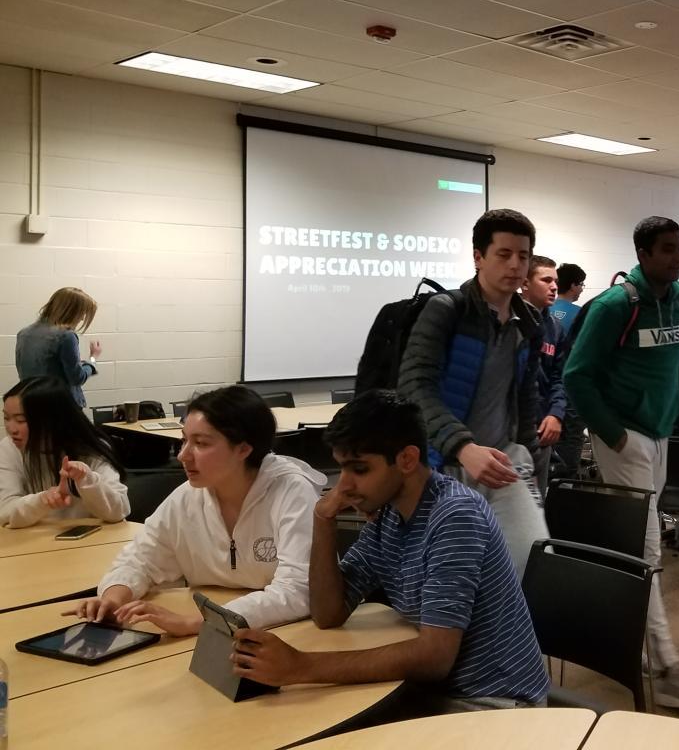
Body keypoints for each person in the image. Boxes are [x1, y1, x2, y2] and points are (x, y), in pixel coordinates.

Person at [230, 390, 549, 711]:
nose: (345, 485)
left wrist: (301, 667)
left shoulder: (455, 515)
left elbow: (435, 658)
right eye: (342, 469)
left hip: (495, 701)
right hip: (433, 691)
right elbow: (328, 614)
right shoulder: (390, 515)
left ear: (407, 460)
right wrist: (322, 518)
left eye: (359, 469)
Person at [563, 215, 679, 709]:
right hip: (624, 438)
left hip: (661, 435)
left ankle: (635, 643)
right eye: (668, 249)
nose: (678, 257)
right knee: (649, 549)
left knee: (635, 546)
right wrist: (612, 435)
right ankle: (668, 665)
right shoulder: (615, 306)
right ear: (643, 254)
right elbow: (576, 376)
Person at [66, 385, 324, 635]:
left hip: (283, 633)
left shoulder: (291, 492)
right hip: (215, 632)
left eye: (200, 443)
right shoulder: (188, 497)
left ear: (244, 449)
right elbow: (140, 559)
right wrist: (113, 598)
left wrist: (201, 621)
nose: (183, 455)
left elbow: (298, 591)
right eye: (184, 441)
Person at [397, 208, 548, 581]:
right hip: (444, 465)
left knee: (533, 565)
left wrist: (530, 456)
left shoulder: (529, 323)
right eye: (504, 254)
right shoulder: (447, 310)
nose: (515, 265)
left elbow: (525, 398)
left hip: (504, 463)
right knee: (455, 578)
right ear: (478, 257)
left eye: (523, 256)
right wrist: (463, 447)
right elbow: (414, 386)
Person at [0, 376, 129, 528]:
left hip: (95, 539)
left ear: (50, 420)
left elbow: (119, 511)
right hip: (35, 539)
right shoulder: (9, 448)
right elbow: (4, 512)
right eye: (6, 418)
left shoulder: (89, 448)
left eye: (21, 420)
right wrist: (42, 500)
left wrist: (87, 480)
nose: (11, 429)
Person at [522, 255, 566, 497]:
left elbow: (560, 376)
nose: (554, 286)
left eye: (555, 281)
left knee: (536, 502)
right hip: (509, 431)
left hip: (542, 431)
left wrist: (556, 414)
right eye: (546, 280)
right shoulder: (510, 321)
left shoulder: (555, 328)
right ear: (525, 283)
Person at [15, 287, 102, 407]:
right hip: (61, 406)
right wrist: (92, 360)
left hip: (31, 404)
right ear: (72, 311)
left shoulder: (24, 333)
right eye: (82, 313)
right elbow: (77, 378)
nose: (82, 318)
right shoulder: (66, 336)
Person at [548, 263, 586, 331]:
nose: (582, 289)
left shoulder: (543, 309)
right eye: (581, 284)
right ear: (573, 285)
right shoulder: (581, 313)